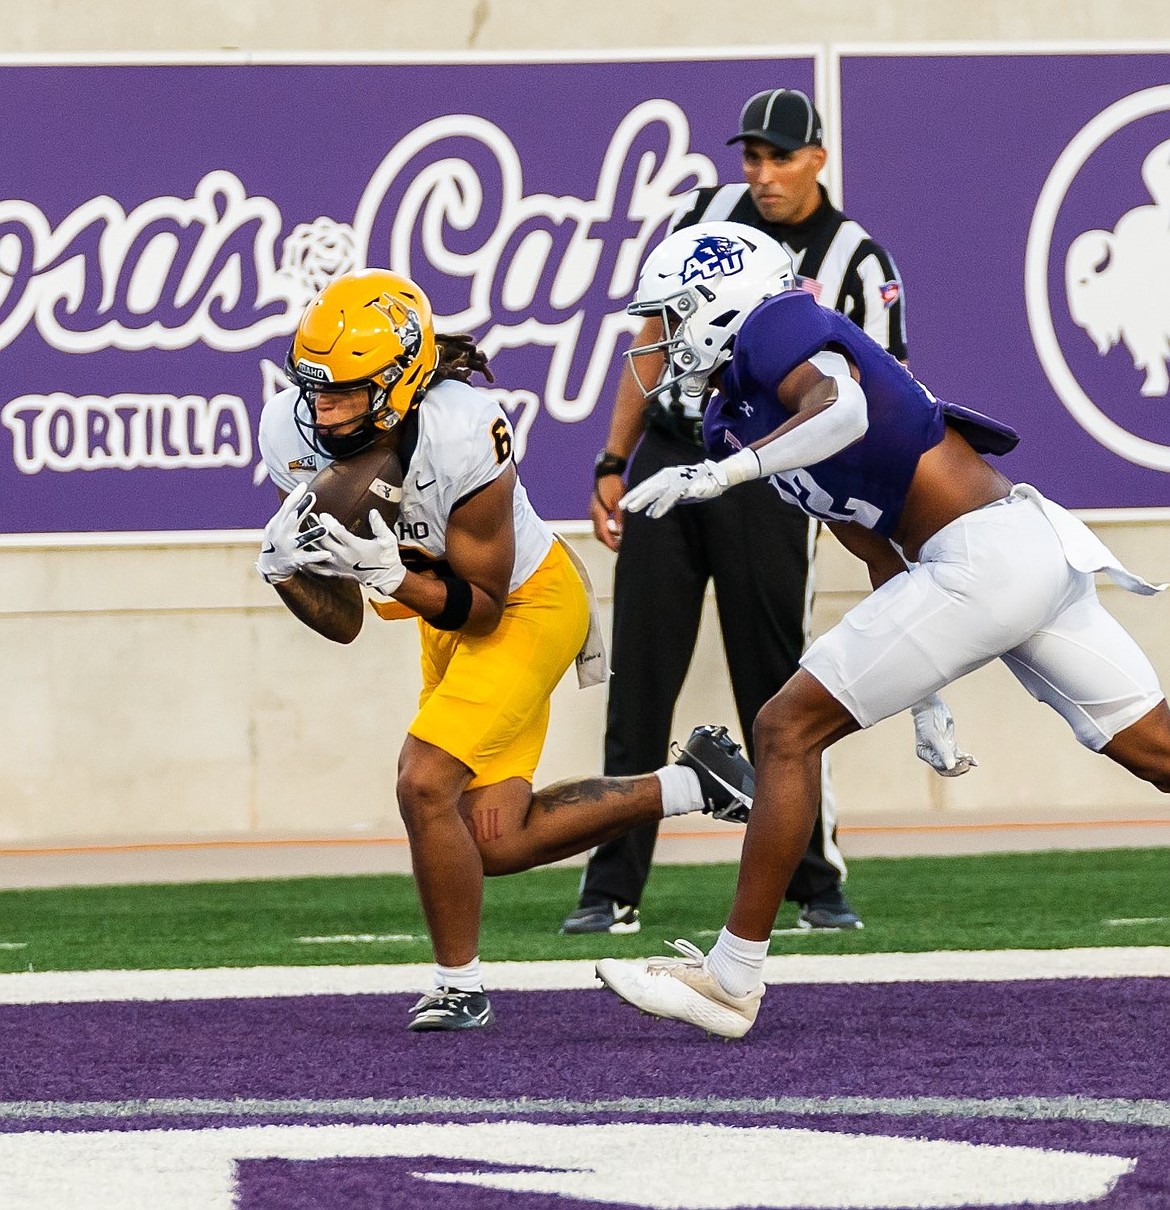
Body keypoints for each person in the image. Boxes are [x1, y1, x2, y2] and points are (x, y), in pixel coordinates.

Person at [594, 219, 1170, 1038]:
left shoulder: (778, 323)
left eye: (677, 314)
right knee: (1158, 751)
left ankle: (730, 979)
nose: (662, 338)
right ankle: (730, 976)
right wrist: (926, 698)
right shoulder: (735, 411)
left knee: (783, 729)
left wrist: (722, 474)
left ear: (722, 301)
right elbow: (876, 543)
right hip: (1005, 554)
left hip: (985, 556)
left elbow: (846, 407)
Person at [254, 267, 755, 1032]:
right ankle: (692, 785)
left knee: (423, 780)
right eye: (314, 389)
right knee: (491, 838)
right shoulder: (288, 435)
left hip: (527, 601)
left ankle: (458, 986)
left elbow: (484, 609)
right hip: (439, 617)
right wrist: (286, 570)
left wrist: (388, 568)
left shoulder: (465, 426)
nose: (323, 410)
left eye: (346, 392)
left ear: (397, 380)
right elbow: (346, 620)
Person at [562, 87, 905, 936]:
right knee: (640, 674)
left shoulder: (857, 258)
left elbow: (878, 393)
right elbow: (649, 337)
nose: (762, 174)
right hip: (678, 453)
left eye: (780, 156)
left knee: (778, 678)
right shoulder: (703, 212)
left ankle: (814, 881)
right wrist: (614, 456)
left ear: (818, 158)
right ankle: (612, 887)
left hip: (774, 474)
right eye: (751, 156)